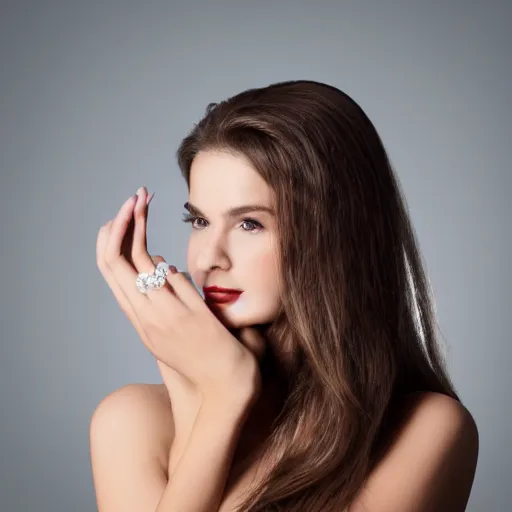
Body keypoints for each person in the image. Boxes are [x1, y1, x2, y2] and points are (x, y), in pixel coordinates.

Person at [90, 80, 479, 511]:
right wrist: (209, 400)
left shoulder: (424, 430)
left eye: (249, 224)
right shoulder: (131, 421)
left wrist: (219, 395)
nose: (208, 258)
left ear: (335, 237)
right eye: (199, 221)